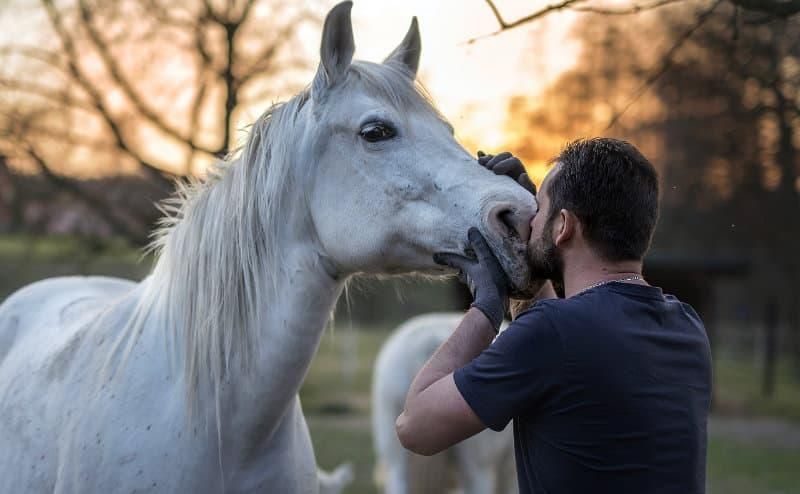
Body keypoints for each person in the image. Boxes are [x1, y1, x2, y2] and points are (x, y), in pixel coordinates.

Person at [395, 138, 712, 494]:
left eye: (539, 208)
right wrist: (529, 256)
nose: (530, 221)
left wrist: (485, 308)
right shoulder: (687, 327)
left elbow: (415, 427)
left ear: (564, 226)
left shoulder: (552, 333)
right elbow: (563, 336)